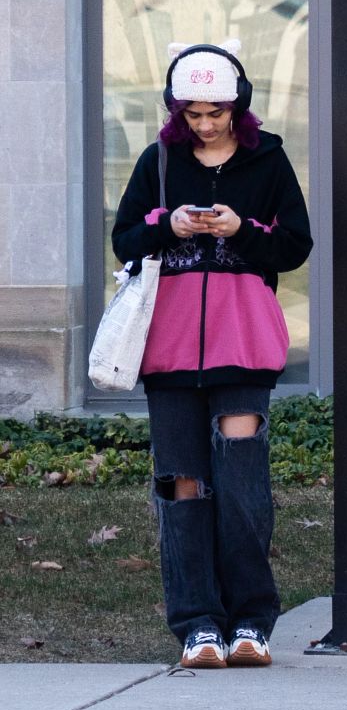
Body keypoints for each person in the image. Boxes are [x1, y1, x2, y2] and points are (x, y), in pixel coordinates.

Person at [110, 41, 312, 670]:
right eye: (193, 113)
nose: (204, 124)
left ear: (237, 106)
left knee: (243, 481)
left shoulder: (269, 162)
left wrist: (240, 230)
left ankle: (252, 620)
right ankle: (197, 625)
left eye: (216, 112)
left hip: (242, 343)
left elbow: (296, 246)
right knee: (181, 488)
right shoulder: (159, 160)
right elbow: (125, 241)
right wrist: (169, 226)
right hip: (167, 348)